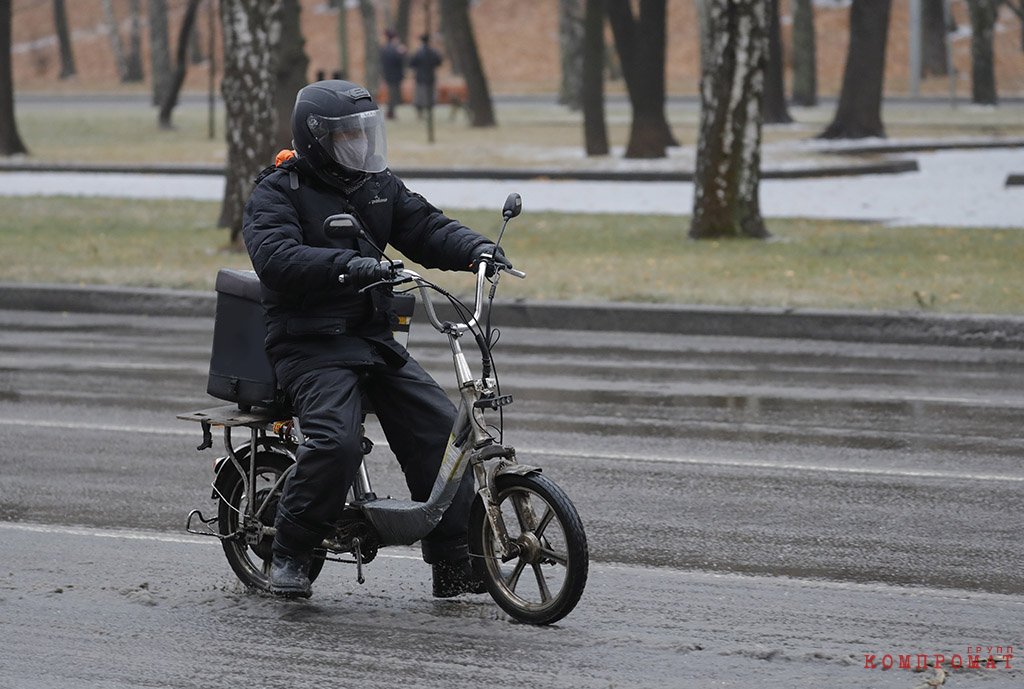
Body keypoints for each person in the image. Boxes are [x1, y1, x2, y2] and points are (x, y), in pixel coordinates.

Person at [241, 80, 511, 599]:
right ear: (317, 138)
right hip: (308, 344)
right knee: (335, 442)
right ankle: (291, 552)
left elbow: (424, 227)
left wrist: (476, 249)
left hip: (371, 338)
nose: (362, 145)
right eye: (348, 135)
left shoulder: (377, 185)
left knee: (443, 432)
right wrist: (348, 266)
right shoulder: (276, 192)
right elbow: (276, 259)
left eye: (366, 133)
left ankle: (454, 557)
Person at [408, 33, 442, 119]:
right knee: (430, 96)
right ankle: (429, 112)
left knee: (420, 96)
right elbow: (439, 62)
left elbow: (412, 63)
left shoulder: (418, 52)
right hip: (430, 77)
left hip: (420, 77)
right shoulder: (433, 52)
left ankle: (420, 113)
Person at [379, 29, 406, 120]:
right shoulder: (394, 49)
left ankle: (391, 112)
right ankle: (390, 113)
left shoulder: (385, 48)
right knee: (393, 95)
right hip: (393, 76)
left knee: (392, 94)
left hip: (389, 75)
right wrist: (401, 53)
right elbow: (397, 61)